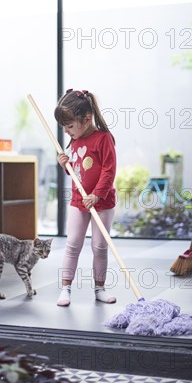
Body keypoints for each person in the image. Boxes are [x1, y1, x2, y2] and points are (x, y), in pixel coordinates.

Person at [55, 88, 117, 307]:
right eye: (64, 127)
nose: (67, 131)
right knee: (72, 244)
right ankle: (65, 288)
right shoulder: (75, 141)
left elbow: (108, 171)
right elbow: (77, 170)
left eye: (70, 126)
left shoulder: (104, 139)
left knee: (100, 246)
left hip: (103, 202)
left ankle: (100, 288)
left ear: (87, 119)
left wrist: (97, 195)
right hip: (78, 201)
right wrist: (65, 165)